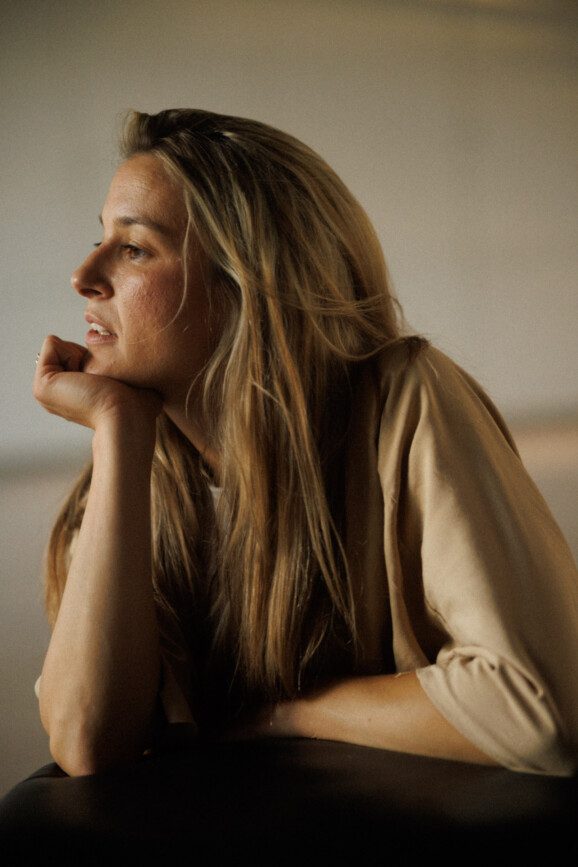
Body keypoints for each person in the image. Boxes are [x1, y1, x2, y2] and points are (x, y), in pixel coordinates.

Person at [33, 109, 578, 779]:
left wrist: (288, 714)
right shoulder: (127, 475)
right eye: (101, 237)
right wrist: (118, 432)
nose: (84, 274)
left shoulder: (407, 398)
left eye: (135, 248)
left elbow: (540, 707)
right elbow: (87, 743)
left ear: (245, 284)